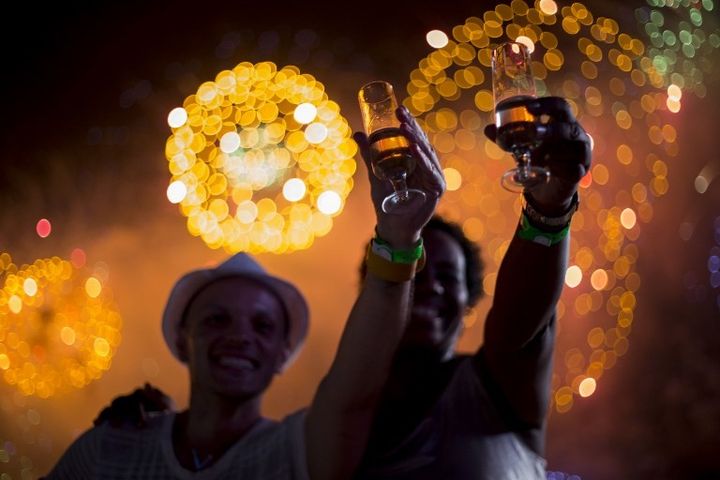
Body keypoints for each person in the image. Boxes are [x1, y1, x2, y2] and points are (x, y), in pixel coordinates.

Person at [44, 105, 446, 479]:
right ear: (182, 340)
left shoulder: (296, 453)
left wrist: (398, 238)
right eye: (217, 319)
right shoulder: (107, 450)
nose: (240, 336)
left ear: (283, 353)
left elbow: (355, 393)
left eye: (263, 326)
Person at [350, 96, 591, 479]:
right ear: (376, 288)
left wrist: (548, 211)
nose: (433, 288)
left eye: (448, 278)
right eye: (417, 269)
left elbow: (520, 325)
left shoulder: (495, 387)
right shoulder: (340, 415)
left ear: (468, 301)